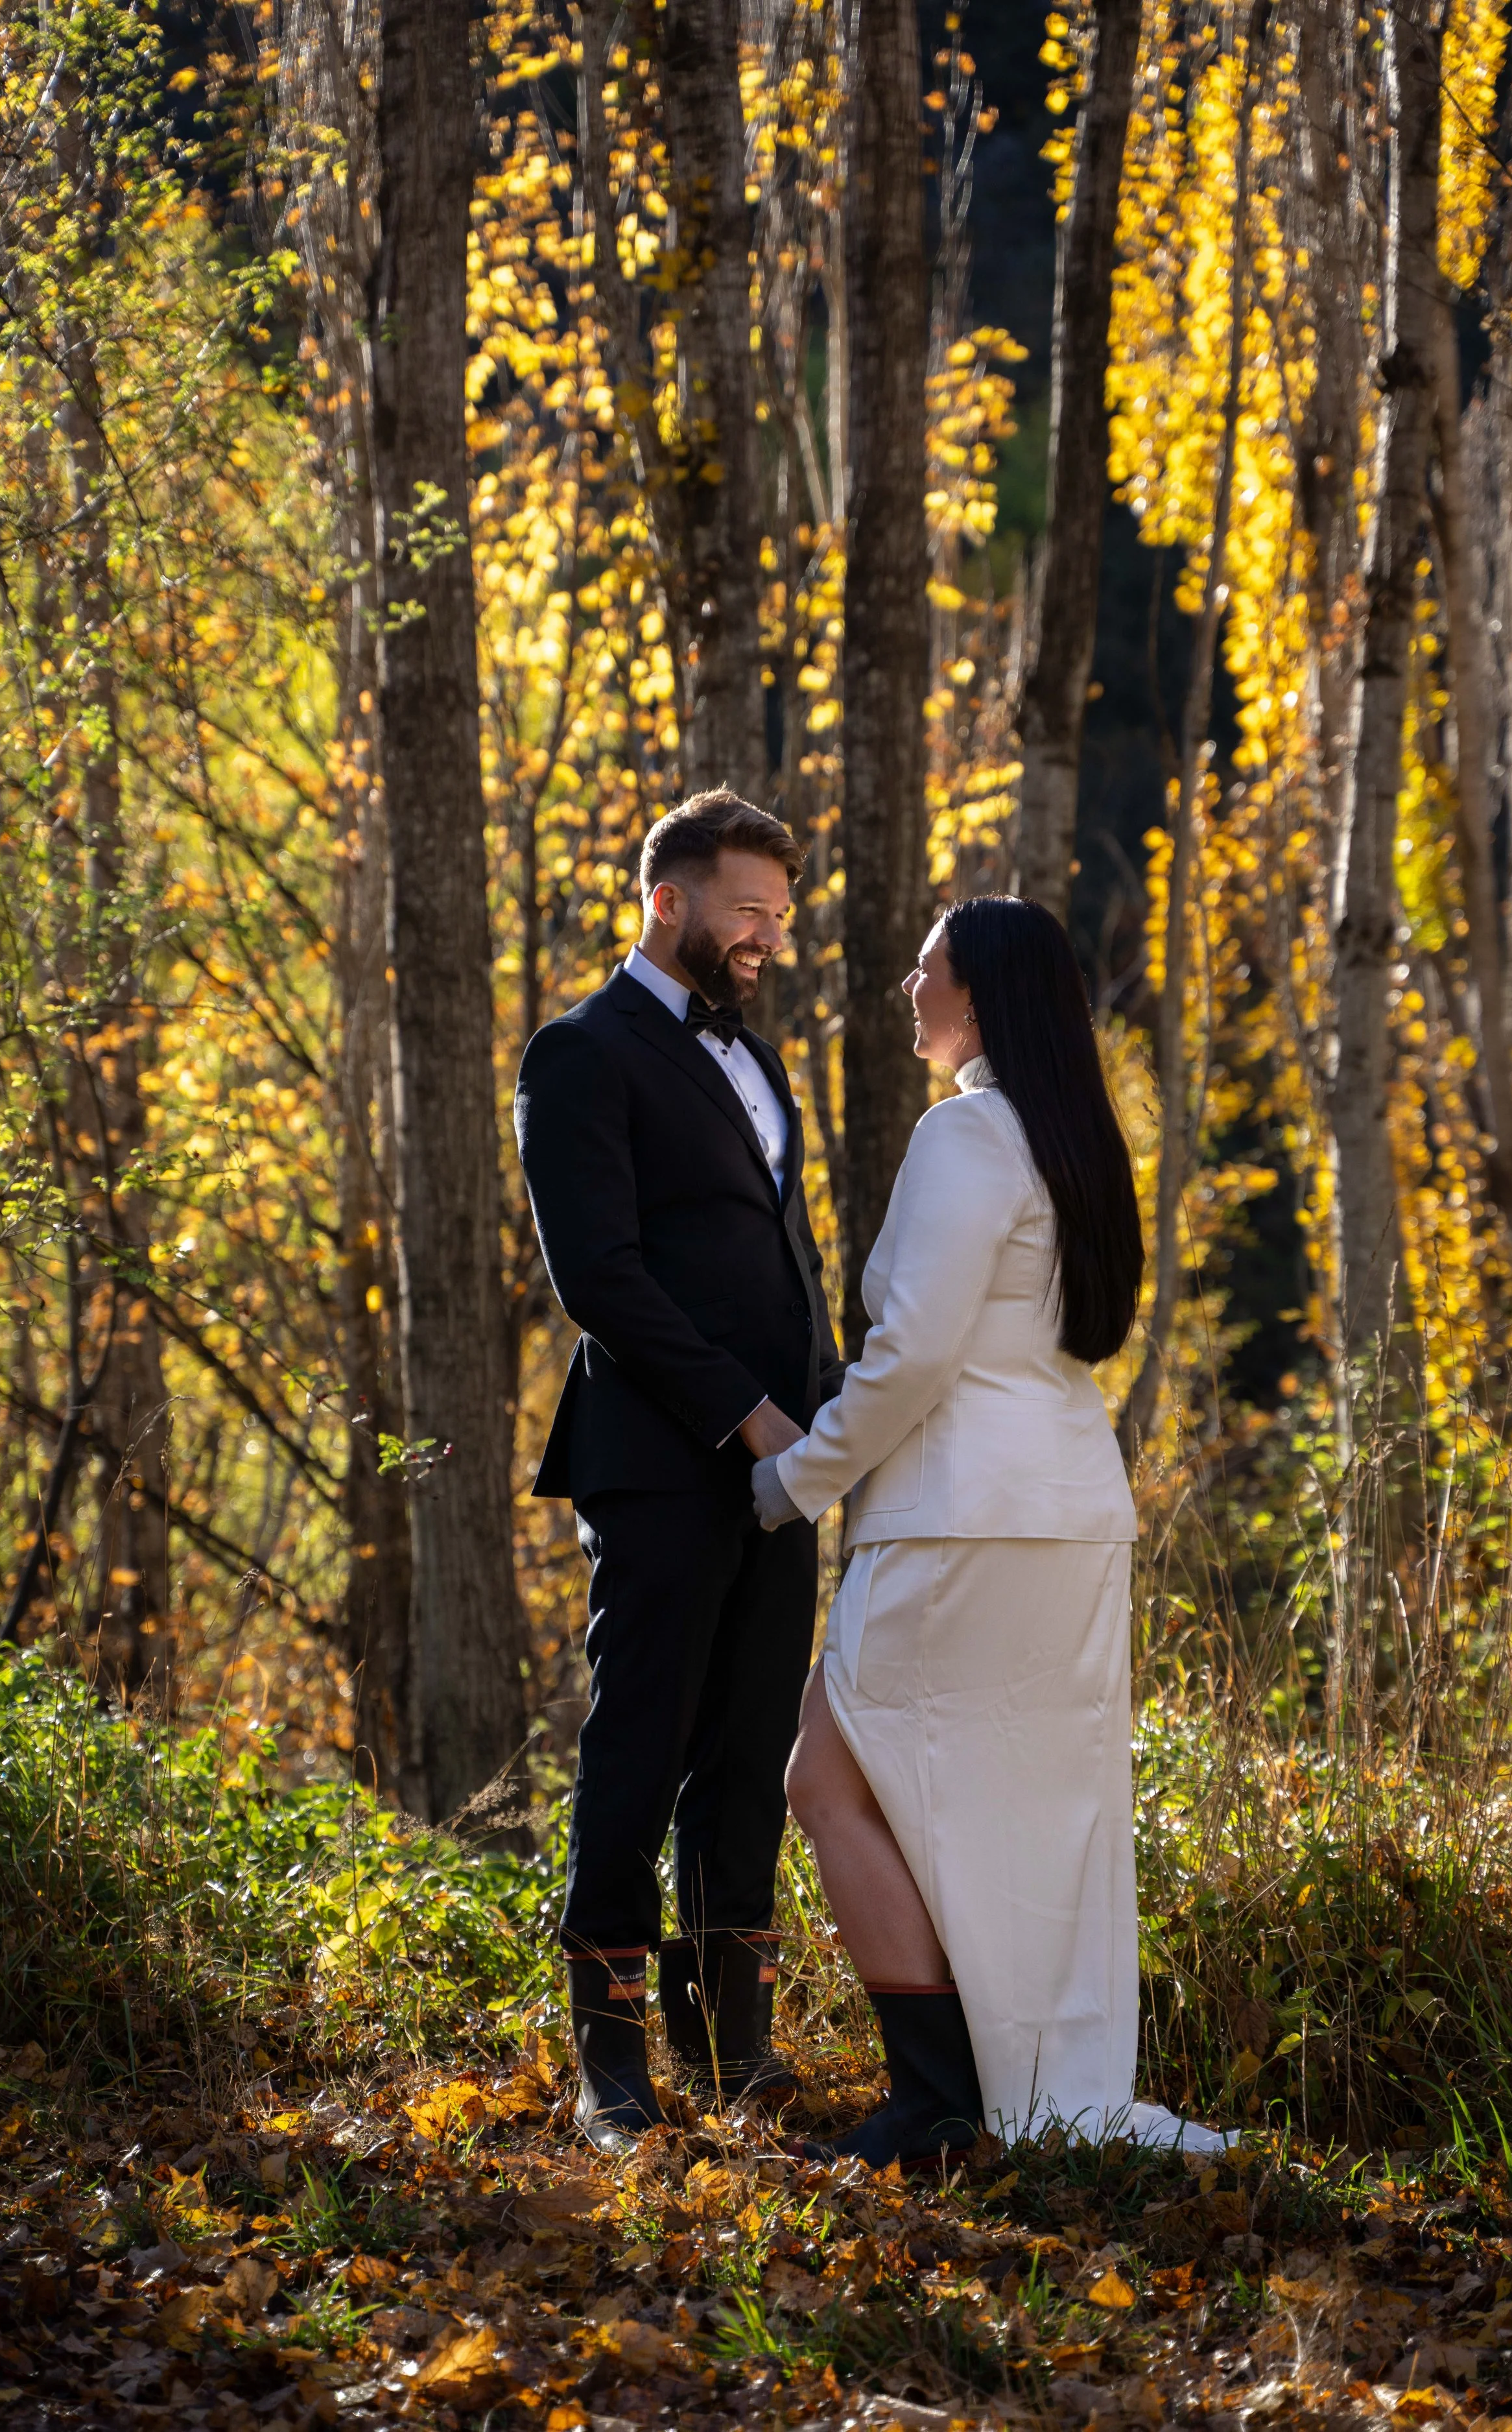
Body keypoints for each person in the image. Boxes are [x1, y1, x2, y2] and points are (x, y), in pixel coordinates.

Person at [754, 894, 1231, 2164]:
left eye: (925, 971)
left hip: (957, 1525)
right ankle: (1008, 2095)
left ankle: (936, 2102)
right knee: (1027, 1818)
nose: (908, 992)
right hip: (1065, 1516)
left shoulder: (966, 1137)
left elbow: (910, 1355)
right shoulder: (1070, 1141)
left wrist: (795, 1479)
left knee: (820, 1772)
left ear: (977, 996)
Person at [515, 789, 844, 2152]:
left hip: (784, 1471)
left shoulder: (759, 1064)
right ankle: (610, 2069)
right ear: (668, 901)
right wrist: (748, 1418)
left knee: (749, 1751)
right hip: (659, 1462)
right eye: (748, 910)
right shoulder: (579, 1052)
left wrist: (827, 1422)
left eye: (779, 912)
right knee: (637, 1748)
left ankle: (735, 2046)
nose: (769, 934)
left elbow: (784, 1265)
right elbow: (601, 1278)